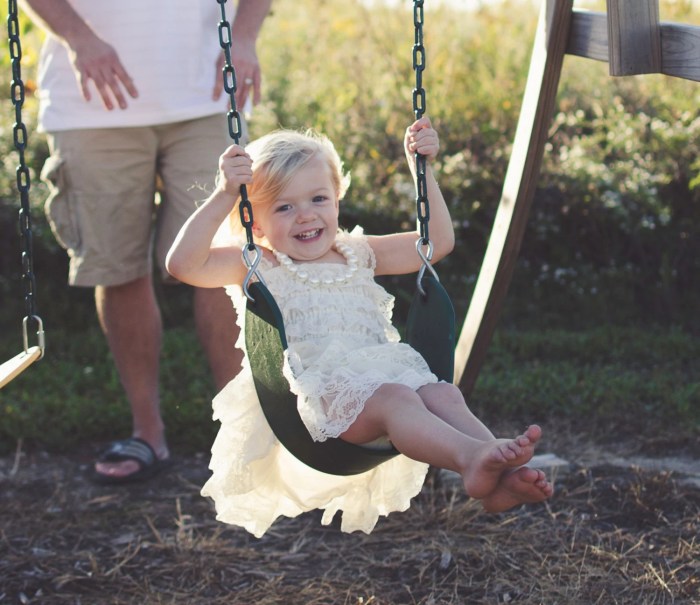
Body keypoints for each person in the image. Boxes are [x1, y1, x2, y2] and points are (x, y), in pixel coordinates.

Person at [166, 116, 554, 536]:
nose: (305, 216)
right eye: (284, 206)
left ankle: (495, 475)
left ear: (337, 199)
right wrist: (226, 194)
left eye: (318, 198)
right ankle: (473, 459)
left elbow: (436, 243)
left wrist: (421, 169)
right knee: (395, 399)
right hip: (321, 396)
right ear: (255, 224)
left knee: (443, 392)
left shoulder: (357, 252)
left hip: (384, 374)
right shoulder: (260, 264)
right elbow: (183, 265)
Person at [21, 0, 272, 484]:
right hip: (92, 104)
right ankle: (148, 433)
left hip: (207, 97)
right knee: (119, 269)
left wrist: (243, 35)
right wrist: (79, 37)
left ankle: (245, 430)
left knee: (221, 265)